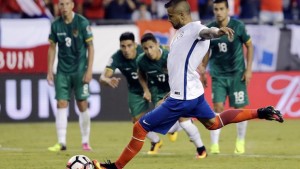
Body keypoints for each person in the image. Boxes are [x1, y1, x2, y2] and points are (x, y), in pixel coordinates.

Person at [93, 0, 284, 168]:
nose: (168, 19)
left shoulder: (194, 29)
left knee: (139, 128)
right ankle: (261, 112)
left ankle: (115, 167)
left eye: (171, 16)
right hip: (191, 93)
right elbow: (179, 66)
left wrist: (218, 32)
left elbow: (206, 33)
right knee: (214, 122)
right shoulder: (180, 34)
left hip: (182, 99)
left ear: (183, 15)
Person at [99, 32, 178, 155]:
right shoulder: (116, 57)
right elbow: (103, 77)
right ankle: (156, 141)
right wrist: (108, 80)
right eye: (123, 46)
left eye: (129, 45)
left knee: (163, 115)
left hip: (155, 86)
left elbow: (164, 50)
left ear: (135, 45)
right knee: (136, 120)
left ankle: (173, 128)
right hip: (135, 90)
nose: (126, 49)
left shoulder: (145, 49)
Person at [137, 32, 207, 158]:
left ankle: (201, 150)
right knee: (153, 121)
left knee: (183, 120)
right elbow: (140, 73)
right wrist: (146, 90)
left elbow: (186, 67)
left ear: (158, 44)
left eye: (151, 47)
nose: (149, 51)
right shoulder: (141, 60)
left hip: (176, 88)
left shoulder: (170, 54)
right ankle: (173, 129)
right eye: (145, 48)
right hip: (157, 91)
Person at [202, 0, 254, 155]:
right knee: (217, 107)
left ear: (227, 10)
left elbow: (250, 45)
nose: (218, 12)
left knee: (239, 109)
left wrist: (249, 69)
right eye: (215, 9)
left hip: (237, 74)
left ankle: (240, 140)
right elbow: (206, 50)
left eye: (221, 9)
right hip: (218, 75)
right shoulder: (210, 29)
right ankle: (215, 145)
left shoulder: (238, 26)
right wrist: (203, 71)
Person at [47, 0, 94, 152]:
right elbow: (52, 48)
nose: (64, 7)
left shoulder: (82, 22)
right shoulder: (56, 25)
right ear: (58, 6)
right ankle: (61, 142)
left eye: (67, 4)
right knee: (61, 103)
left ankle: (85, 141)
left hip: (80, 71)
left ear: (72, 6)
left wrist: (89, 70)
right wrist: (49, 70)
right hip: (62, 71)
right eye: (61, 4)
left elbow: (90, 47)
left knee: (82, 104)